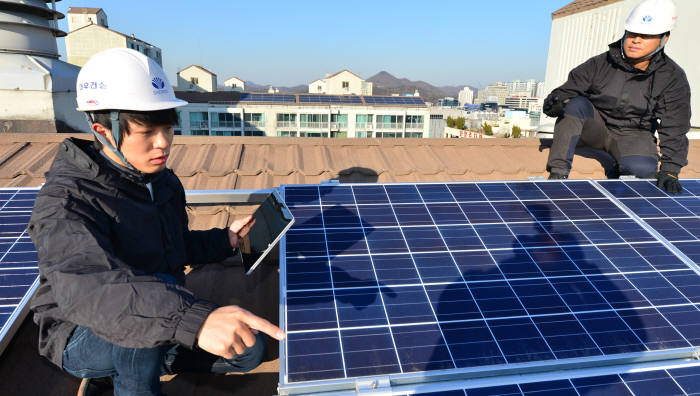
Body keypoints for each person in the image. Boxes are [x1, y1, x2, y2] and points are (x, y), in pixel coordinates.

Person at [28, 48, 285, 396]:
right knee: (145, 315)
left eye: (166, 128)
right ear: (103, 130)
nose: (163, 143)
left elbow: (173, 246)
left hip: (159, 308)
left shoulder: (161, 181)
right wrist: (194, 320)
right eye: (147, 132)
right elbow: (91, 288)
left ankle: (127, 367)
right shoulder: (66, 201)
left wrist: (225, 239)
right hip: (80, 330)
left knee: (247, 349)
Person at [543, 0, 691, 194]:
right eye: (631, 33)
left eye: (645, 36)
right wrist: (553, 103)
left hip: (634, 134)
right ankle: (558, 175)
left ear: (664, 39)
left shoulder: (672, 77)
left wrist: (671, 170)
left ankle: (618, 166)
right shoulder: (599, 64)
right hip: (595, 128)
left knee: (643, 170)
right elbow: (567, 92)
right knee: (575, 104)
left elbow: (675, 125)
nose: (635, 40)